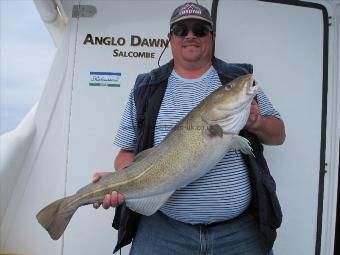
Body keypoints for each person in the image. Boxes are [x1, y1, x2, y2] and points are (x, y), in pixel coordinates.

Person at [93, 2, 285, 255]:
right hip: (163, 232)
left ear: (212, 37)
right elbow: (126, 153)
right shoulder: (146, 88)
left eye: (200, 29)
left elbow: (278, 134)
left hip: (239, 232)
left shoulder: (236, 80)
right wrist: (122, 181)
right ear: (170, 38)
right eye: (181, 30)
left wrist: (256, 122)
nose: (191, 35)